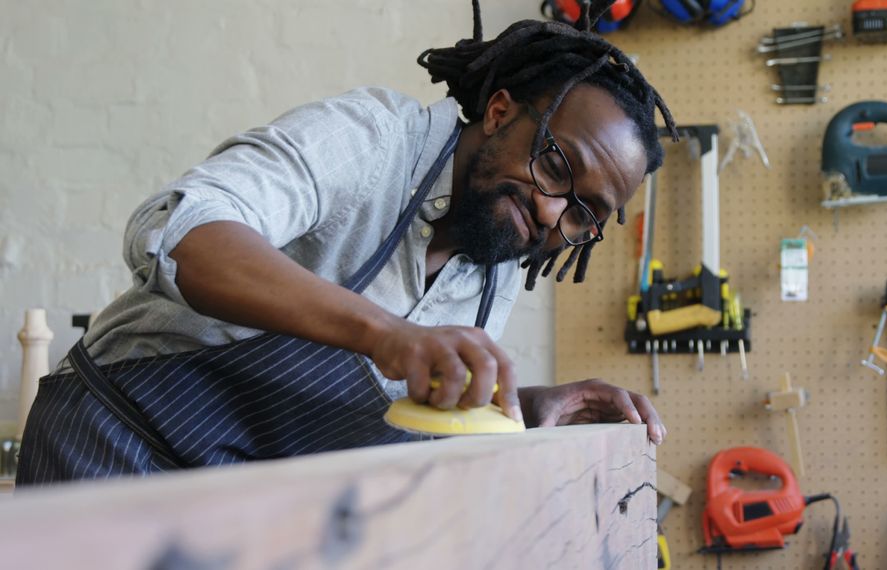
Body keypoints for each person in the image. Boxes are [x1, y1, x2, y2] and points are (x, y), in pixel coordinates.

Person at [16, 0, 677, 485]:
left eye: (583, 212)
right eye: (557, 165)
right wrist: (386, 333)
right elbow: (177, 232)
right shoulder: (375, 141)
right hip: (113, 448)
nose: (551, 209)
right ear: (500, 112)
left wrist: (522, 408)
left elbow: (395, 407)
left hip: (242, 493)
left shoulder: (494, 265)